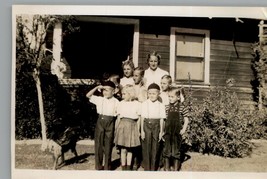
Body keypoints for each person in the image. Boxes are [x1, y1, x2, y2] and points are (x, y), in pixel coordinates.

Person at [86, 81, 119, 170]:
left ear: (113, 91)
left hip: (111, 122)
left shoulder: (116, 101)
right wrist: (97, 88)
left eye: (107, 90)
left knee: (108, 144)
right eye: (104, 90)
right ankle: (98, 166)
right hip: (100, 121)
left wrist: (116, 126)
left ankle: (107, 166)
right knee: (99, 144)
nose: (105, 92)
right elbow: (88, 95)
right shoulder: (100, 99)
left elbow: (118, 114)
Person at [114, 85, 141, 170]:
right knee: (123, 149)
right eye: (122, 94)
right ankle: (123, 167)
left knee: (130, 149)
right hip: (122, 126)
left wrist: (139, 130)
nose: (123, 96)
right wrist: (117, 129)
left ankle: (129, 166)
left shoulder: (137, 104)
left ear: (130, 94)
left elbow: (139, 119)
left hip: (132, 126)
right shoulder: (121, 104)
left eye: (124, 94)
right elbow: (118, 118)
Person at [162, 87, 189, 171]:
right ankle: (166, 167)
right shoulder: (166, 107)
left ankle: (176, 166)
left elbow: (186, 119)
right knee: (167, 148)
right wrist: (163, 131)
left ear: (178, 97)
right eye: (169, 96)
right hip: (168, 131)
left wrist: (184, 129)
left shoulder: (182, 107)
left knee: (176, 149)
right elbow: (164, 120)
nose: (170, 98)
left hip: (177, 131)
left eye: (172, 97)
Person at [140, 83, 166, 171]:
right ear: (147, 94)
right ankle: (147, 166)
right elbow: (142, 118)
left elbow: (162, 119)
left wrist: (161, 132)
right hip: (146, 125)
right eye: (150, 93)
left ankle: (154, 166)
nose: (152, 95)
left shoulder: (161, 105)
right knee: (146, 146)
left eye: (154, 93)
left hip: (157, 125)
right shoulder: (144, 104)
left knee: (156, 146)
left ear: (158, 94)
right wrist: (142, 131)